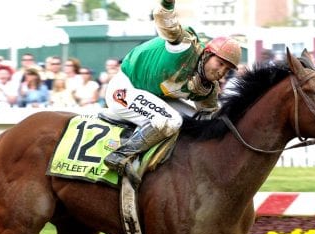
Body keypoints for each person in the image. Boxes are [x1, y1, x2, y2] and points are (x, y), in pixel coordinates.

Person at [103, 0, 240, 184]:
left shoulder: (209, 90)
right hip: (124, 88)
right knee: (171, 120)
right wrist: (167, 4)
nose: (222, 72)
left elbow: (210, 120)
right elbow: (164, 18)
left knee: (197, 123)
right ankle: (120, 156)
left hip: (153, 97)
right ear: (207, 54)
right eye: (220, 63)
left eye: (228, 69)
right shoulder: (185, 46)